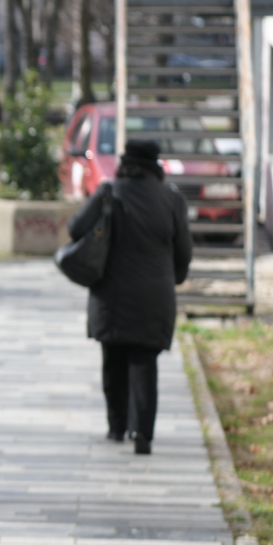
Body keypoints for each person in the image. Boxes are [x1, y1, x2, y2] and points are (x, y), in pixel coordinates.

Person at [66, 138, 192, 455]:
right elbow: (184, 253)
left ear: (124, 163)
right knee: (145, 365)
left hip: (111, 296)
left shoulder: (109, 192)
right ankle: (144, 434)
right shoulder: (172, 200)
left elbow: (75, 228)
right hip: (155, 296)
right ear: (156, 166)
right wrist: (172, 279)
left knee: (113, 362)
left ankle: (116, 427)